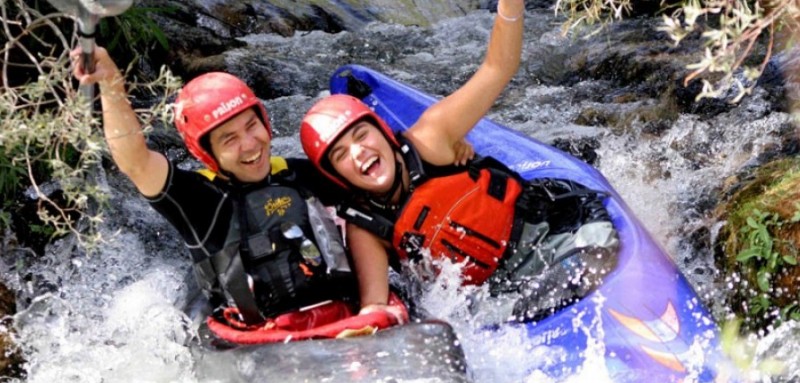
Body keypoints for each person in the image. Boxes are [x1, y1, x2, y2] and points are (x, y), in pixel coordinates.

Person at [70, 47, 475, 327]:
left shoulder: (304, 175)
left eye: (252, 126)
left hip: (352, 319)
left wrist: (445, 155)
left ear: (266, 122)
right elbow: (136, 161)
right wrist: (110, 83)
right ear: (208, 154)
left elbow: (382, 184)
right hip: (268, 344)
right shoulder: (202, 203)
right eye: (230, 139)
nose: (250, 145)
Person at [299, 1, 620, 321]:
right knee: (514, 310)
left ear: (384, 132)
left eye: (361, 136)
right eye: (340, 155)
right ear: (336, 175)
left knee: (594, 264)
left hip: (547, 234)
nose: (358, 152)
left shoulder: (431, 137)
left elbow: (498, 68)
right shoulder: (365, 226)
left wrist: (510, 7)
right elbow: (375, 303)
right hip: (492, 293)